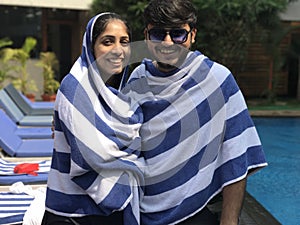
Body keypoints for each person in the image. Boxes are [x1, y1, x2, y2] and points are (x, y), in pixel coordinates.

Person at [120, 0, 268, 224]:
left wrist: (229, 221)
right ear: (146, 36)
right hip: (142, 211)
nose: (168, 43)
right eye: (158, 34)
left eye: (178, 34)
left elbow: (236, 155)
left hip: (195, 214)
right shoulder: (137, 79)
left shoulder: (217, 80)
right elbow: (120, 138)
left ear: (193, 35)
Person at [42, 12, 144, 225]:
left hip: (109, 216)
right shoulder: (75, 89)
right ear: (91, 46)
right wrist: (136, 164)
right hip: (72, 215)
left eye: (124, 42)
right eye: (107, 42)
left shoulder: (124, 96)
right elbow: (91, 157)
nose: (117, 50)